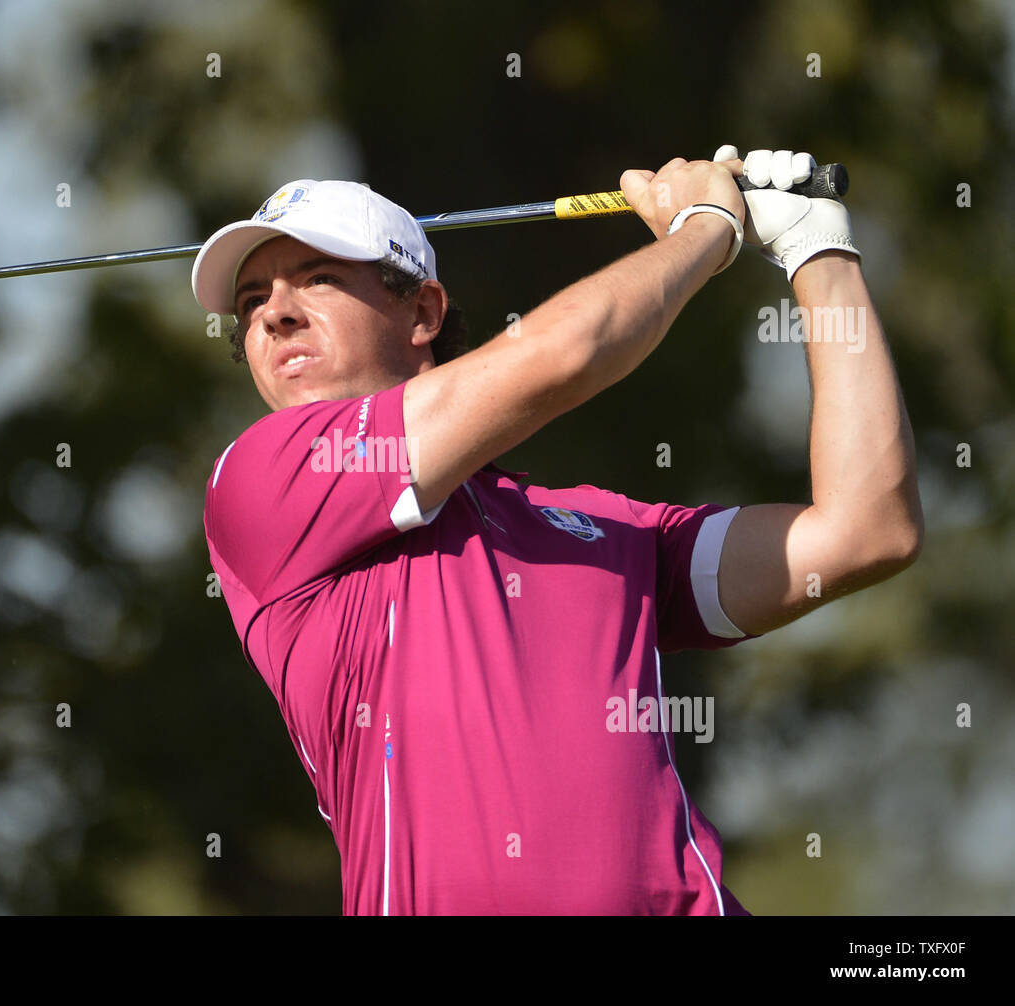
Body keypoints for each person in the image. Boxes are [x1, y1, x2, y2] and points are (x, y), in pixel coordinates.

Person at [190, 147, 924, 915]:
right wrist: (705, 228)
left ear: (423, 313)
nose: (272, 312)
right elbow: (561, 354)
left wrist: (819, 251)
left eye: (318, 277)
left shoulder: (605, 528)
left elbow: (868, 530)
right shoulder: (260, 482)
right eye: (249, 302)